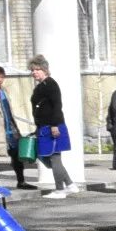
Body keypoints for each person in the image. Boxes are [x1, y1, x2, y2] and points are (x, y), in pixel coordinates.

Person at [25, 56, 75, 195]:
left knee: (54, 158)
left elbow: (57, 106)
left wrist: (54, 125)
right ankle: (70, 185)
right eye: (32, 70)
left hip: (53, 126)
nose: (34, 72)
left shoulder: (51, 84)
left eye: (37, 69)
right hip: (43, 127)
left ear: (45, 70)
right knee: (47, 157)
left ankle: (60, 190)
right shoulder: (41, 86)